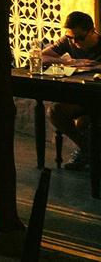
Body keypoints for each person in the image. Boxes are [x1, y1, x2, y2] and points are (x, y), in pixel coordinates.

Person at [41, 11, 101, 170]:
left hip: (97, 96)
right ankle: (89, 150)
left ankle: (88, 152)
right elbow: (42, 57)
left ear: (92, 31)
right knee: (55, 111)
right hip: (80, 95)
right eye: (71, 37)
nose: (75, 42)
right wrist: (70, 62)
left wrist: (96, 67)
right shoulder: (67, 41)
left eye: (80, 38)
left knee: (85, 121)